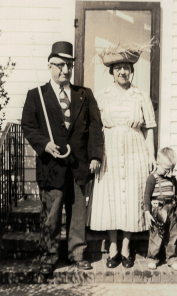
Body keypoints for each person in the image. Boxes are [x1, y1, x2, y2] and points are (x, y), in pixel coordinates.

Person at [21, 41, 103, 275]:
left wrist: (95, 155)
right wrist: (44, 144)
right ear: (50, 65)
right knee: (52, 214)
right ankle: (49, 256)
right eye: (60, 65)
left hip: (79, 167)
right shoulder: (36, 95)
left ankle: (77, 254)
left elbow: (95, 127)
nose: (65, 70)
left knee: (77, 213)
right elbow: (28, 126)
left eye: (69, 65)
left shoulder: (84, 95)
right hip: (51, 166)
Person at [88, 45, 156, 268]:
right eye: (118, 68)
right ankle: (112, 247)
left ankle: (126, 247)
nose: (122, 72)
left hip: (135, 150)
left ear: (131, 70)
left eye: (126, 67)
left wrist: (151, 156)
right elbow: (95, 129)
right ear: (112, 72)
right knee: (112, 198)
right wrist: (96, 155)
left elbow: (150, 128)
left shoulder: (140, 96)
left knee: (131, 199)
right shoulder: (102, 96)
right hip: (110, 152)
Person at [144, 147, 177, 271]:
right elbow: (146, 196)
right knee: (156, 235)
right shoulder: (152, 178)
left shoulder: (173, 179)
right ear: (157, 164)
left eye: (172, 169)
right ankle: (152, 258)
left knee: (172, 236)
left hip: (171, 211)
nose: (170, 173)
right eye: (167, 170)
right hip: (158, 211)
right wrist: (147, 212)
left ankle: (172, 259)